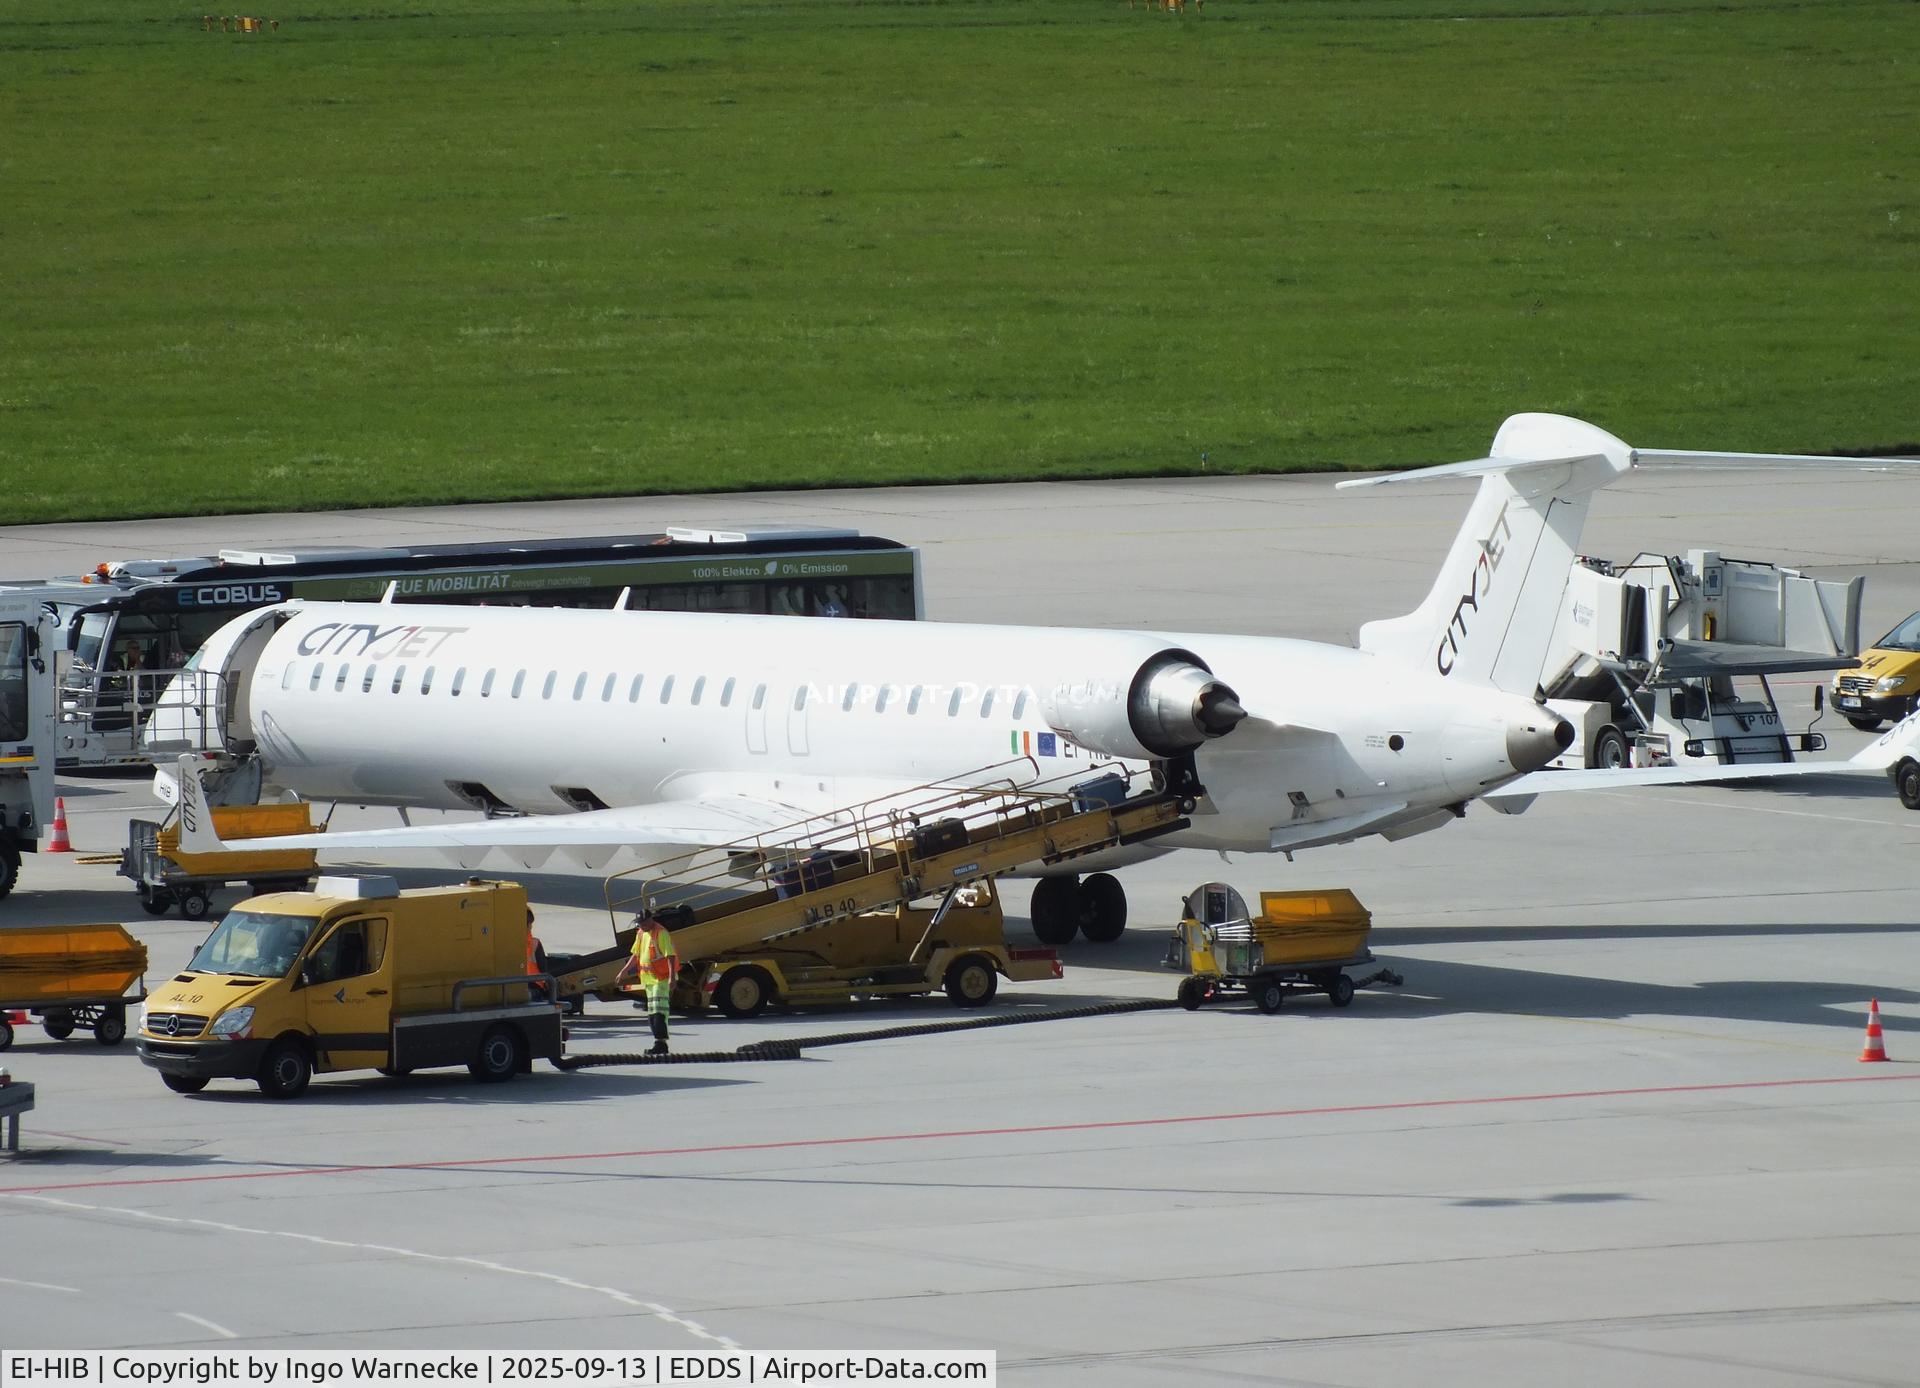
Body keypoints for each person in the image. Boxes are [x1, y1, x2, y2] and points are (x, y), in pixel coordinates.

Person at [615, 914, 677, 1055]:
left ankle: (661, 1044)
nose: (641, 926)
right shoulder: (641, 934)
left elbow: (670, 955)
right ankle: (659, 1043)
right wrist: (623, 972)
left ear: (650, 920)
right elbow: (636, 955)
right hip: (649, 980)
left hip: (660, 979)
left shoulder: (661, 933)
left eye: (643, 923)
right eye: (639, 923)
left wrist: (672, 977)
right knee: (652, 1013)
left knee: (659, 1012)